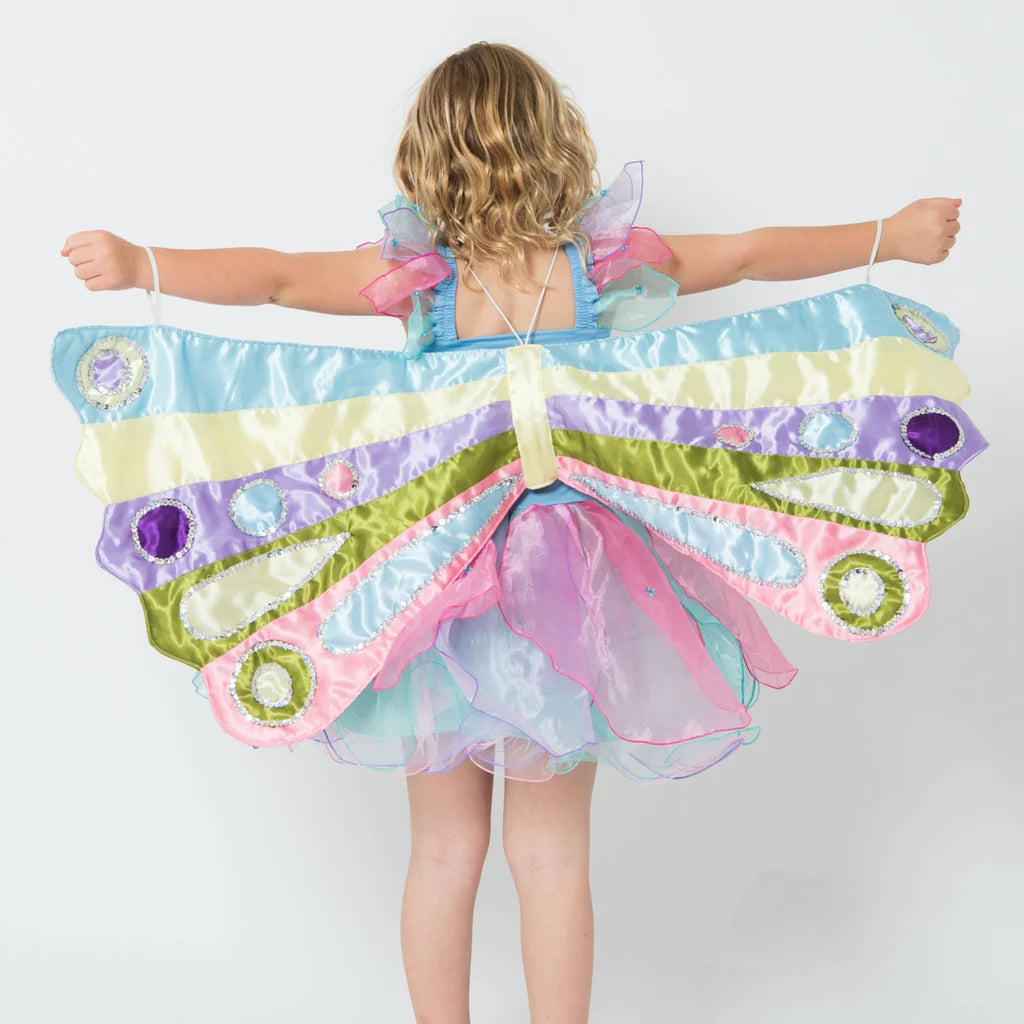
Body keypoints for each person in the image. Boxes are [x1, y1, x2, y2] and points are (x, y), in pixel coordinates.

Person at [58, 40, 968, 1024]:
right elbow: (748, 255)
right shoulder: (601, 268)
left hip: (431, 586)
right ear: (553, 140)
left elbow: (277, 279)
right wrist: (890, 234)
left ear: (427, 154)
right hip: (575, 585)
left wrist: (144, 264)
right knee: (552, 854)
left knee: (444, 851)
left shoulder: (418, 281)